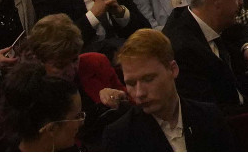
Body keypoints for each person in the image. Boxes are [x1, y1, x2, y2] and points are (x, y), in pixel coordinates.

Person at [102, 27, 239, 150]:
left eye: (148, 79)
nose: (139, 93)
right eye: (131, 83)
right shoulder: (120, 137)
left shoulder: (209, 117)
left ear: (173, 69)